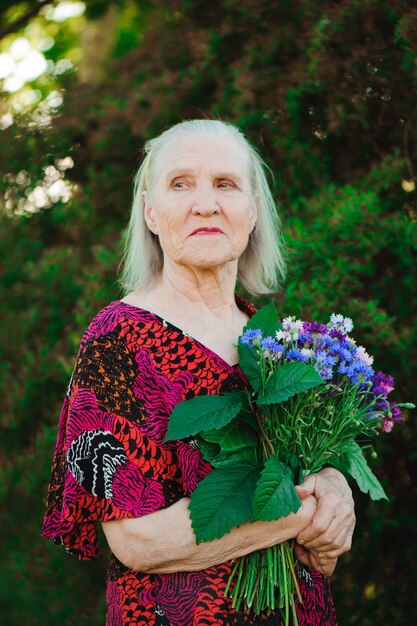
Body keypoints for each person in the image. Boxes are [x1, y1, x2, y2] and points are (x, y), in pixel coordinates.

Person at [41, 119, 356, 626]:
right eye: (181, 184)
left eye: (226, 185)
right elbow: (137, 540)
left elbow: (311, 483)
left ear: (252, 211)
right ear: (150, 211)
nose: (205, 203)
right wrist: (300, 513)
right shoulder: (118, 342)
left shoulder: (273, 341)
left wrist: (336, 487)